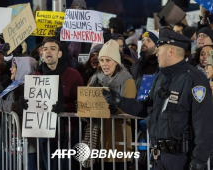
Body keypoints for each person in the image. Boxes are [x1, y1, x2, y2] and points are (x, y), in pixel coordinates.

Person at [102, 28, 213, 170]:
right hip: (158, 157)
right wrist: (120, 101)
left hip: (182, 160)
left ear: (171, 51)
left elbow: (203, 123)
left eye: (159, 49)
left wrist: (199, 160)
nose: (157, 53)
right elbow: (146, 108)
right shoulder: (160, 77)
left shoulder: (194, 79)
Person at [31, 38, 84, 170]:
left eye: (53, 48)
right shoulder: (36, 75)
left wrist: (65, 107)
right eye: (45, 49)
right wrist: (26, 104)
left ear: (59, 54)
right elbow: (33, 101)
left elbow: (80, 102)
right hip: (45, 131)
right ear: (41, 54)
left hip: (68, 131)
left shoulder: (73, 75)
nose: (48, 51)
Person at [88, 39, 137, 170]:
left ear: (116, 61)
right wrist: (83, 109)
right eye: (102, 60)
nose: (104, 64)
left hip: (118, 138)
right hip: (97, 139)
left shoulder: (127, 81)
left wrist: (117, 110)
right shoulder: (94, 79)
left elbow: (131, 106)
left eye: (108, 60)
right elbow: (87, 106)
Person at [0, 57, 38, 170]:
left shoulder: (28, 87)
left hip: (25, 139)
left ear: (23, 68)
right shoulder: (14, 85)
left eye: (14, 67)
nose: (11, 69)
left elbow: (17, 106)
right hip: (12, 137)